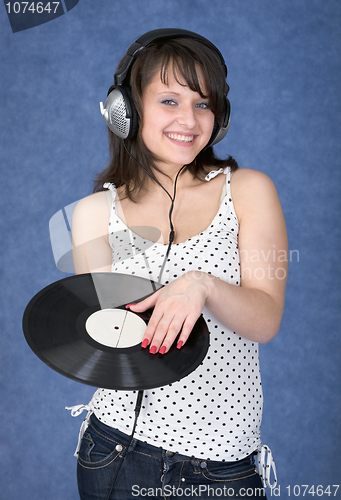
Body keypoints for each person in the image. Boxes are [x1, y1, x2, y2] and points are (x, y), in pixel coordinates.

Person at [69, 29, 287, 499]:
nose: (189, 119)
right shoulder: (92, 215)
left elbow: (266, 319)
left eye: (203, 104)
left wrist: (202, 285)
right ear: (126, 111)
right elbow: (99, 345)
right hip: (114, 451)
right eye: (169, 100)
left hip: (223, 465)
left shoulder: (247, 191)